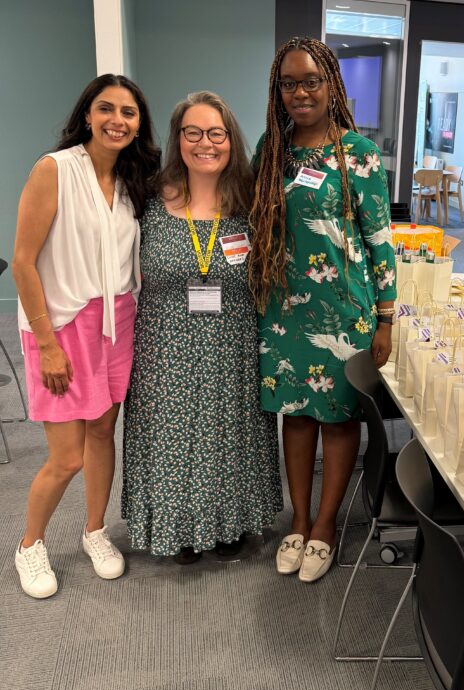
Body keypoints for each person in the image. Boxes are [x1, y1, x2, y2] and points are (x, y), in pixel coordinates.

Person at [249, 37, 397, 584]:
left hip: (344, 309)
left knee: (337, 417)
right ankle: (300, 519)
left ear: (331, 83)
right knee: (297, 413)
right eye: (289, 83)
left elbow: (380, 238)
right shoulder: (272, 148)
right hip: (283, 308)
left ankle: (327, 525)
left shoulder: (357, 153)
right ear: (277, 91)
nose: (300, 92)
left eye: (311, 80)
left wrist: (386, 318)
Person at [12, 75, 161, 599]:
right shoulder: (55, 169)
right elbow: (24, 264)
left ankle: (94, 530)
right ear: (88, 114)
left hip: (117, 322)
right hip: (63, 325)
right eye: (107, 108)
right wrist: (48, 343)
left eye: (129, 112)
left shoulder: (130, 182)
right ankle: (30, 544)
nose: (117, 120)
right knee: (66, 456)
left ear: (140, 123)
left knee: (102, 434)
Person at [122, 91, 281, 563]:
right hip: (164, 343)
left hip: (232, 340)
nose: (205, 143)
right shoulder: (150, 198)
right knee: (168, 435)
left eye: (217, 133)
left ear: (231, 139)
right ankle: (177, 527)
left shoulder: (252, 202)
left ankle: (228, 522)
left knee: (229, 431)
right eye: (193, 132)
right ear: (178, 139)